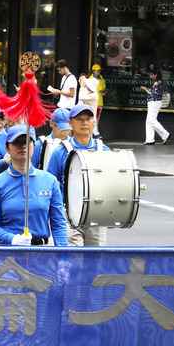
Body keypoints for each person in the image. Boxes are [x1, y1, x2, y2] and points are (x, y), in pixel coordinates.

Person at [0, 125, 69, 246]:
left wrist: (63, 255)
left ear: (33, 145)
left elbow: (59, 224)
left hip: (41, 253)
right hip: (8, 254)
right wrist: (12, 239)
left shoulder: (50, 181)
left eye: (27, 141)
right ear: (7, 148)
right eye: (17, 142)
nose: (22, 146)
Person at [46, 104, 110, 246]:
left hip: (97, 214)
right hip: (68, 214)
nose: (84, 123)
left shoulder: (104, 150)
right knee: (72, 259)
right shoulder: (60, 151)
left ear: (94, 122)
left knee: (96, 260)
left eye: (88, 119)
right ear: (70, 123)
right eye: (80, 119)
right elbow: (50, 184)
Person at [140, 69, 170, 145]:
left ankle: (165, 134)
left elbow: (153, 93)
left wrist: (145, 89)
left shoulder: (158, 82)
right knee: (149, 121)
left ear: (155, 75)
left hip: (154, 102)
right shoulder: (158, 82)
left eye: (151, 75)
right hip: (154, 102)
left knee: (151, 120)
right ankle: (150, 139)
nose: (150, 76)